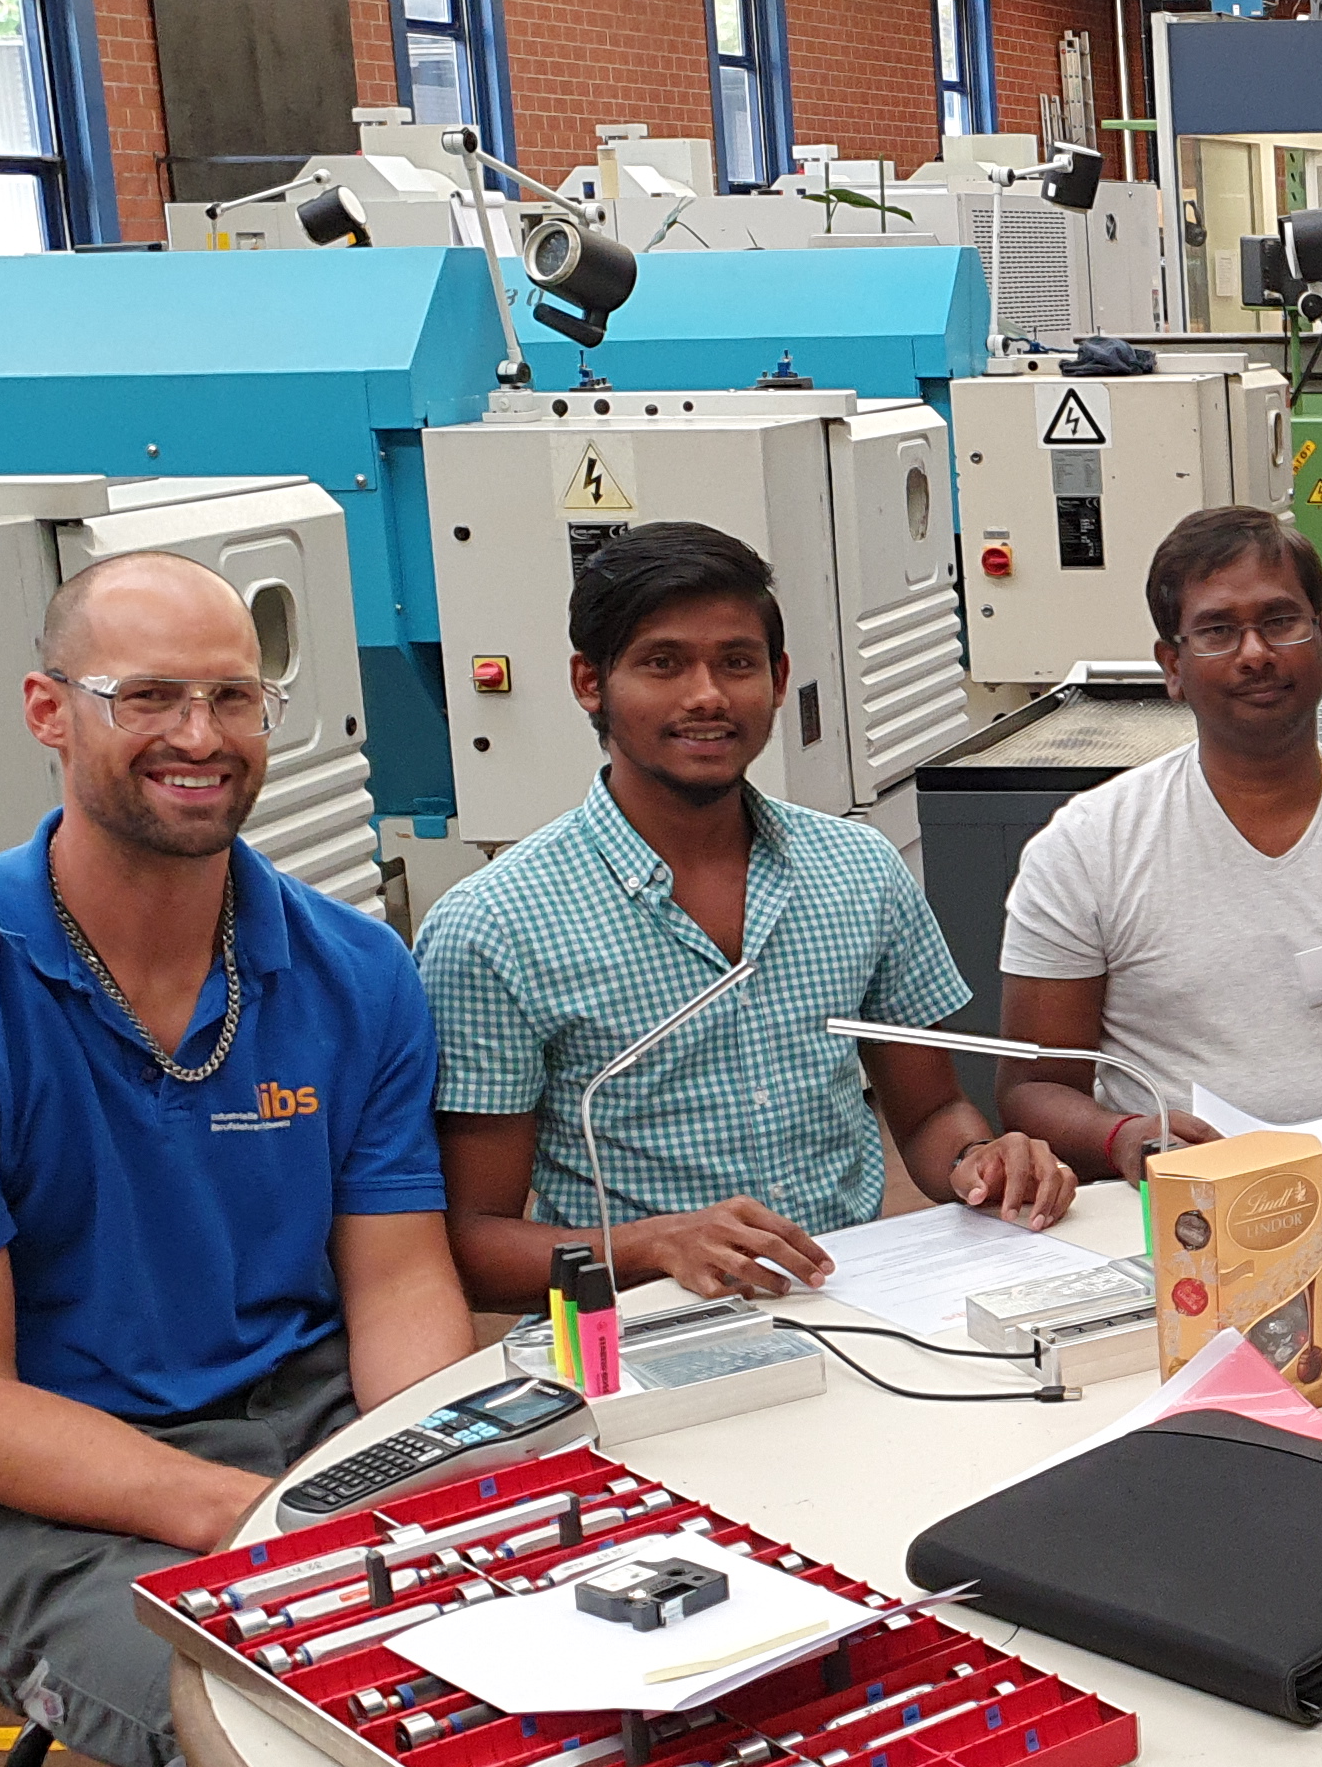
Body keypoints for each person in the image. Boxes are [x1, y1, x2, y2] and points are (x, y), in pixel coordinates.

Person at [0, 552, 478, 1767]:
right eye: (147, 696)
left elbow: (399, 1284)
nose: (198, 737)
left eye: (232, 698)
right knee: (324, 1745)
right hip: (65, 1502)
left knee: (602, 1639)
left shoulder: (354, 973)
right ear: (48, 711)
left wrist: (418, 1473)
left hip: (325, 1428)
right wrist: (257, 1523)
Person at [417, 523, 1065, 1305]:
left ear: (779, 677)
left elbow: (932, 1115)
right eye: (663, 663)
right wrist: (655, 1246)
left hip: (853, 1310)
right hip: (643, 1338)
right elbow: (473, 1246)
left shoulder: (857, 870)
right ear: (590, 682)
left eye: (737, 662)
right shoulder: (494, 926)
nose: (707, 696)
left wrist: (980, 1163)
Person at [996, 504, 1322, 1175]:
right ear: (1172, 665)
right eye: (1218, 631)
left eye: (1280, 622)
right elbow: (1032, 1088)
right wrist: (1124, 1137)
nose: (1255, 654)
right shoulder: (1086, 849)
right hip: (1182, 1204)